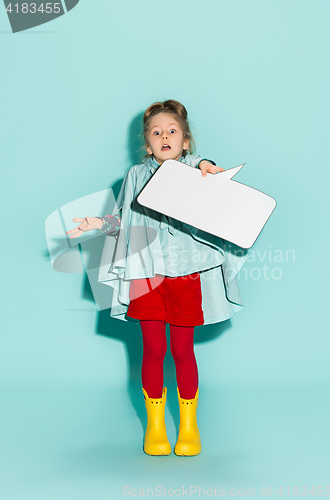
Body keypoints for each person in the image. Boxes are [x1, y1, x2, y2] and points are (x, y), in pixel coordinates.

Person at [66, 99, 248, 457]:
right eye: (156, 132)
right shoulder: (135, 175)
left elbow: (208, 170)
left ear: (186, 140)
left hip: (186, 275)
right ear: (147, 144)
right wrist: (98, 224)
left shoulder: (197, 169)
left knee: (182, 350)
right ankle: (155, 426)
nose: (165, 136)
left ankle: (190, 426)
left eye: (172, 131)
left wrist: (208, 167)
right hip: (145, 274)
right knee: (153, 349)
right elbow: (121, 220)